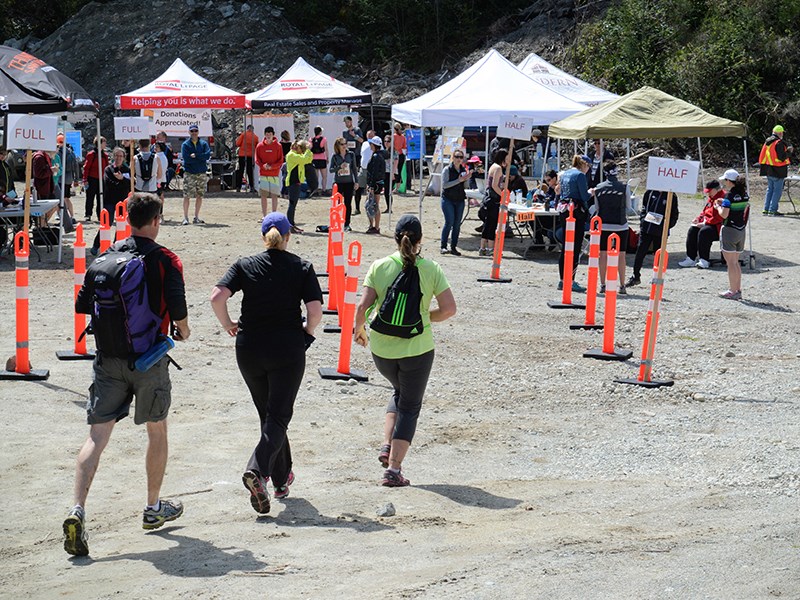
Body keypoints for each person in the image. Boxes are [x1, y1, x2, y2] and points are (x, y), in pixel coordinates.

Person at [63, 192, 190, 557]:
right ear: (155, 220)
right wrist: (182, 330)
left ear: (128, 219)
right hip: (148, 359)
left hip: (107, 358)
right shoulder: (166, 259)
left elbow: (83, 303)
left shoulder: (107, 254)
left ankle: (77, 510)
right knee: (157, 429)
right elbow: (178, 308)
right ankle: (152, 509)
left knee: (97, 437)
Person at [210, 212, 322, 513]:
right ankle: (258, 471)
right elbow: (315, 311)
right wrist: (308, 334)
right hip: (286, 347)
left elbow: (217, 296)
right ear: (287, 237)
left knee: (269, 415)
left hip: (249, 347)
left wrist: (228, 325)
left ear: (264, 237)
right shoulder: (301, 266)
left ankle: (282, 479)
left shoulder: (245, 264)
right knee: (278, 415)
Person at [354, 214, 456, 487]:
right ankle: (394, 470)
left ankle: (387, 445)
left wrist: (359, 332)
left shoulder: (379, 266)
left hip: (383, 350)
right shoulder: (431, 269)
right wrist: (425, 317)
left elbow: (362, 308)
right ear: (420, 241)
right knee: (410, 406)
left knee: (398, 392)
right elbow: (449, 310)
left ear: (395, 237)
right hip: (417, 350)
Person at [628, 187, 679, 287]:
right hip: (646, 229)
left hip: (660, 232)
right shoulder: (650, 192)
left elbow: (674, 215)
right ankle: (635, 276)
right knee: (640, 252)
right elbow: (644, 208)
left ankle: (657, 279)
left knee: (659, 256)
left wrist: (666, 226)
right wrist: (643, 221)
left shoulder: (671, 196)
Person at [593, 161, 630, 294]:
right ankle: (622, 285)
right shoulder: (624, 187)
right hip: (621, 225)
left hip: (604, 225)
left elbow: (597, 208)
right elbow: (628, 206)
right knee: (621, 255)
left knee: (602, 254)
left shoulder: (598, 188)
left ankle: (603, 284)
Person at [556, 155, 591, 291]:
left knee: (565, 246)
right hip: (576, 213)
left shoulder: (565, 174)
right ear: (584, 165)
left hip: (564, 210)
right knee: (575, 247)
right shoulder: (580, 175)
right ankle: (571, 280)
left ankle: (562, 280)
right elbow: (584, 196)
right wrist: (591, 193)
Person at [716, 169, 749, 300]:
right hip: (741, 229)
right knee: (735, 262)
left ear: (730, 181)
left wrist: (717, 207)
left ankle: (732, 290)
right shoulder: (745, 194)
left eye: (725, 181)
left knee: (730, 263)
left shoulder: (728, 197)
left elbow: (724, 214)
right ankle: (737, 289)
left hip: (729, 229)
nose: (724, 183)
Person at [91, 147, 130, 255]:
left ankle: (116, 245)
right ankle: (96, 245)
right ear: (113, 157)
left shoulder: (127, 170)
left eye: (120, 156)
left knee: (121, 225)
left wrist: (122, 180)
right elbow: (110, 183)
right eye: (116, 156)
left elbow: (131, 184)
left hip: (122, 202)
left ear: (124, 158)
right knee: (106, 223)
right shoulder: (108, 169)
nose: (118, 158)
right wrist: (122, 181)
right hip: (110, 200)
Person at [678, 180, 725, 269]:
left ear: (716, 190)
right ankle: (691, 258)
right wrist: (698, 219)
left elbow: (720, 217)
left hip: (719, 227)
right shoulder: (711, 198)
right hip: (708, 223)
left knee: (704, 232)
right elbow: (704, 212)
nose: (708, 194)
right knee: (692, 230)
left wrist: (705, 223)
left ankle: (704, 260)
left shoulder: (723, 198)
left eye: (709, 191)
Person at [758, 125, 793, 216]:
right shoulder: (779, 143)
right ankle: (772, 210)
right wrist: (789, 152)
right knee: (777, 191)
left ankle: (766, 209)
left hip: (768, 169)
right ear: (780, 133)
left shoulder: (767, 142)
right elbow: (781, 158)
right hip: (778, 170)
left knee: (770, 190)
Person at [440, 148, 469, 255]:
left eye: (461, 157)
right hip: (447, 199)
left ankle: (453, 247)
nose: (459, 159)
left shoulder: (463, 170)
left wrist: (467, 178)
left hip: (460, 200)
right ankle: (443, 246)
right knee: (449, 222)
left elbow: (466, 186)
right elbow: (445, 185)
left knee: (457, 224)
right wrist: (459, 180)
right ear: (453, 158)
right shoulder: (447, 170)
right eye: (457, 157)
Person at [180, 124, 211, 225]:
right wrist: (199, 158)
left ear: (198, 132)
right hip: (189, 173)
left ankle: (196, 217)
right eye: (192, 131)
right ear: (189, 132)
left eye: (195, 131)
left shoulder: (203, 144)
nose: (194, 133)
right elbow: (187, 159)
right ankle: (185, 218)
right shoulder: (185, 145)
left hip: (201, 173)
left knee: (200, 195)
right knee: (186, 196)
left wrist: (196, 156)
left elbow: (207, 155)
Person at [479, 149, 508, 256]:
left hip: (488, 199)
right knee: (492, 225)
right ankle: (491, 248)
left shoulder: (493, 166)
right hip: (493, 201)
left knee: (487, 225)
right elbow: (495, 186)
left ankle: (483, 248)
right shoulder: (498, 168)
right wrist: (503, 196)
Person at [284, 139, 313, 233]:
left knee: (293, 204)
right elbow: (305, 159)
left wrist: (308, 152)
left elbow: (308, 159)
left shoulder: (296, 156)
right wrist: (308, 150)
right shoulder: (291, 155)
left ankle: (292, 224)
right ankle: (290, 225)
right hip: (293, 182)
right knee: (292, 205)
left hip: (296, 182)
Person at [329, 136, 358, 231]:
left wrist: (356, 181)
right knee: (337, 204)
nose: (344, 146)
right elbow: (331, 170)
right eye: (342, 144)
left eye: (345, 144)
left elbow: (354, 168)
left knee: (348, 204)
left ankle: (347, 224)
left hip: (349, 183)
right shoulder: (335, 156)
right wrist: (339, 167)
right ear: (338, 146)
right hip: (338, 183)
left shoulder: (351, 154)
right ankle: (337, 222)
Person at [255, 126, 285, 217]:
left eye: (270, 134)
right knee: (263, 196)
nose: (268, 136)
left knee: (274, 195)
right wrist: (263, 166)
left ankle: (274, 214)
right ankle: (264, 215)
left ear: (273, 135)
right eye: (267, 134)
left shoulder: (278, 146)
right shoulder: (259, 146)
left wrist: (272, 167)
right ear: (264, 135)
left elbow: (280, 160)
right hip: (263, 174)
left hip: (274, 175)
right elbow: (257, 159)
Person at [54, 134, 81, 225]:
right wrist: (76, 179)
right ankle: (72, 216)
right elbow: (76, 166)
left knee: (59, 199)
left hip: (58, 178)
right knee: (67, 198)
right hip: (68, 179)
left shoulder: (56, 153)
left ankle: (60, 216)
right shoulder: (71, 152)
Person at [82, 136, 109, 221]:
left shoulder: (105, 155)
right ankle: (88, 214)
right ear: (99, 143)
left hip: (102, 179)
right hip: (92, 179)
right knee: (90, 197)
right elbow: (86, 168)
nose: (106, 144)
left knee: (100, 198)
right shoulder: (91, 155)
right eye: (104, 142)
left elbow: (107, 167)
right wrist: (85, 180)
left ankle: (100, 215)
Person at [365, 136, 385, 234]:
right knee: (373, 204)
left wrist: (371, 185)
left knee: (373, 204)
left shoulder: (376, 156)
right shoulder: (379, 155)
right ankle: (374, 226)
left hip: (375, 184)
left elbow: (374, 172)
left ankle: (375, 226)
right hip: (377, 183)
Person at [354, 128, 375, 215]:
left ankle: (372, 207)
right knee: (358, 188)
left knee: (371, 190)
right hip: (363, 169)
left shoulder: (377, 144)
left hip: (372, 170)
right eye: (368, 135)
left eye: (371, 135)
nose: (369, 137)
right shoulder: (364, 144)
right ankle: (357, 208)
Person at [235, 124, 258, 193]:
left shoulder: (243, 135)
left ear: (247, 129)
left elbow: (238, 143)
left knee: (240, 171)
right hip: (250, 156)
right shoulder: (255, 137)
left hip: (242, 155)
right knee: (250, 172)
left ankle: (238, 187)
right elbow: (257, 147)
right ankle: (251, 186)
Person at [309, 126, 328, 194]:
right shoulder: (324, 139)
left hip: (314, 159)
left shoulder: (311, 139)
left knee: (316, 177)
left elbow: (310, 149)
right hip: (322, 158)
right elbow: (326, 150)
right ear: (320, 132)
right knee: (324, 176)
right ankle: (324, 190)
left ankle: (316, 190)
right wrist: (327, 158)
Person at [392, 122, 407, 189]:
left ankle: (393, 186)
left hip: (395, 155)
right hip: (401, 155)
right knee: (399, 170)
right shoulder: (403, 137)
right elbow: (404, 146)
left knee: (394, 171)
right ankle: (397, 187)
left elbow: (392, 146)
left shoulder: (393, 136)